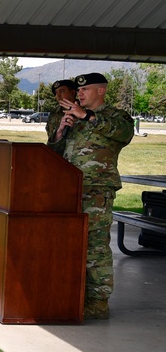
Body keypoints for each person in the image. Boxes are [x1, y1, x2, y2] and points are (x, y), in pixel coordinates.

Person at [49, 72, 134, 320]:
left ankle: (98, 303)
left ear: (101, 91)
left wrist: (86, 116)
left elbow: (124, 134)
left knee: (95, 248)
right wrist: (59, 133)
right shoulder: (73, 117)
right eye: (79, 90)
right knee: (70, 246)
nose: (80, 94)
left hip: (96, 192)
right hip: (69, 190)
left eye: (85, 90)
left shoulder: (116, 117)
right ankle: (72, 295)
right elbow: (54, 152)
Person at [45, 79, 78, 143]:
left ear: (73, 92)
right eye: (56, 93)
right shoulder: (54, 112)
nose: (58, 95)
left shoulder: (84, 111)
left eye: (61, 91)